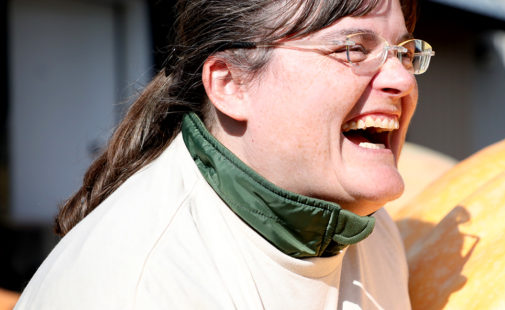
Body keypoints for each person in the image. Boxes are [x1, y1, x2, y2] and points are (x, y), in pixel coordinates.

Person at [15, 0, 433, 308]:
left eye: (404, 52)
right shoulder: (139, 289)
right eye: (353, 49)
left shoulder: (374, 232)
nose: (402, 79)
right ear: (230, 83)